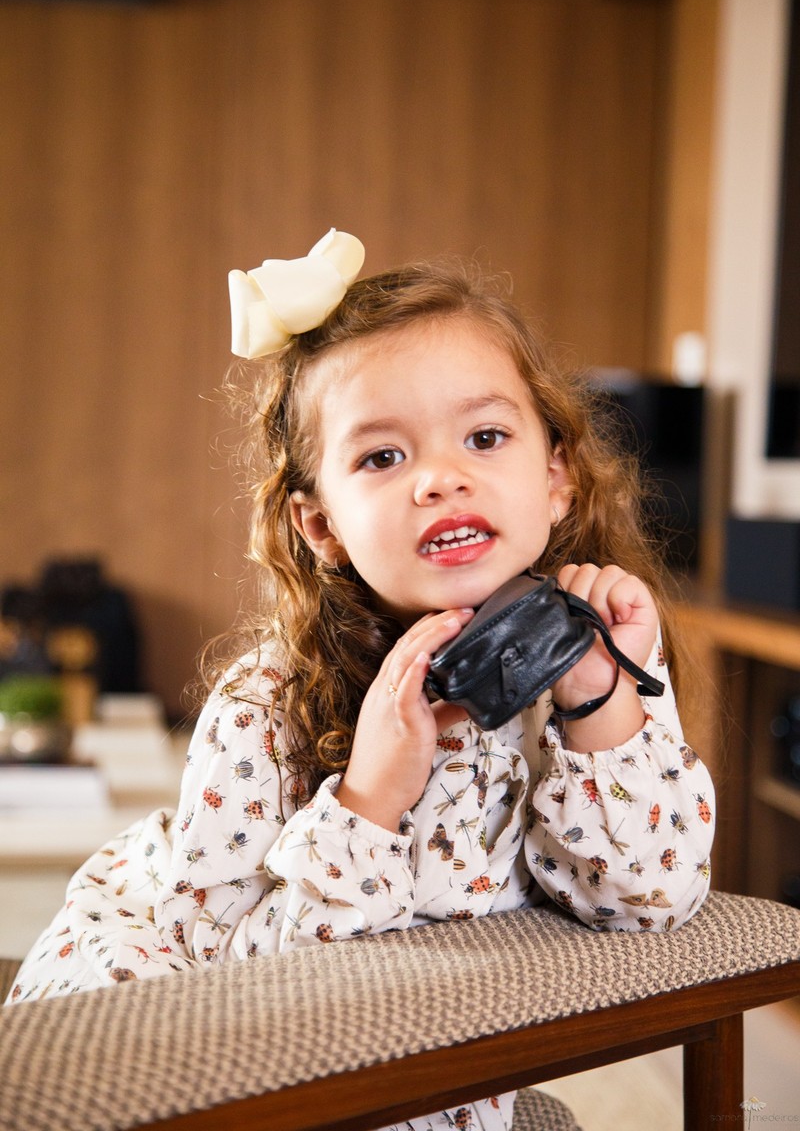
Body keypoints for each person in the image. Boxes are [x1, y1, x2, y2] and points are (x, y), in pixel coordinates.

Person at [5, 230, 715, 1131]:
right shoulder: (266, 707)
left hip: (418, 1028)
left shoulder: (597, 660)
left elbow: (651, 903)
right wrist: (370, 799)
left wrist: (599, 702)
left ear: (556, 478)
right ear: (322, 525)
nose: (441, 479)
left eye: (485, 436)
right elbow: (247, 992)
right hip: (175, 999)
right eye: (383, 457)